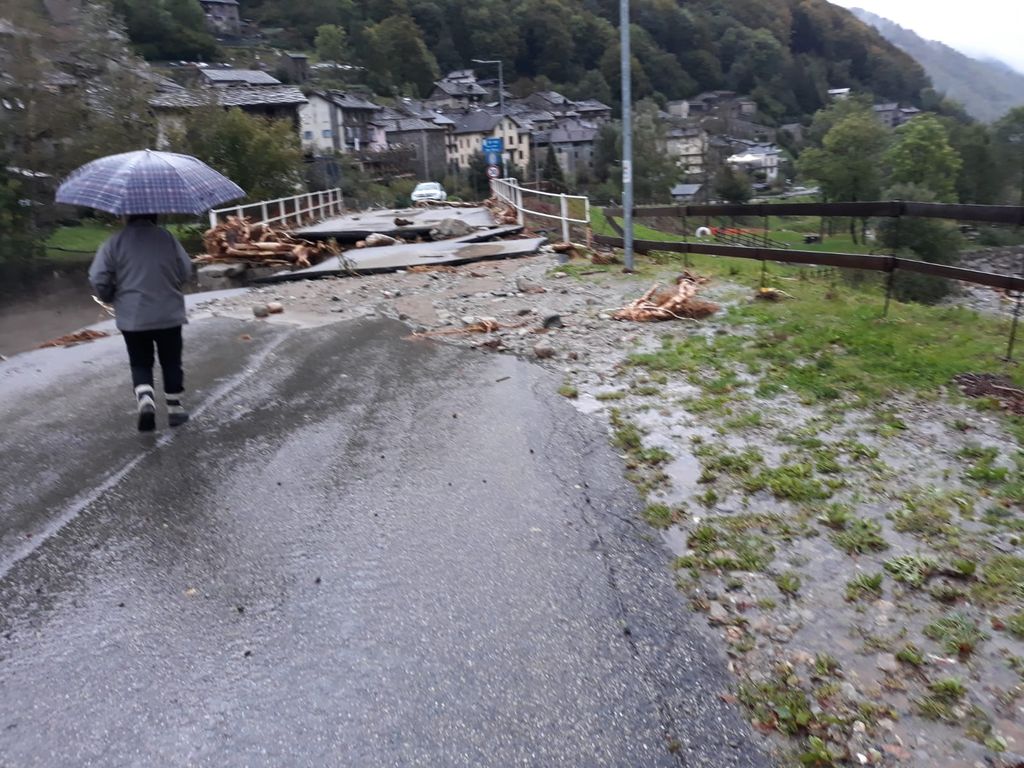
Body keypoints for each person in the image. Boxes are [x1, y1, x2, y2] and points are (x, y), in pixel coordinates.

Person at [89, 214, 193, 432]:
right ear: (154, 215)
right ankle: (175, 409)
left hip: (133, 316)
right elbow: (185, 270)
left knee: (140, 362)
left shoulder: (114, 242)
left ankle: (145, 399)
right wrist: (171, 285)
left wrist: (109, 295)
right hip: (168, 313)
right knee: (171, 361)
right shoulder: (167, 238)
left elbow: (98, 277)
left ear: (126, 216)